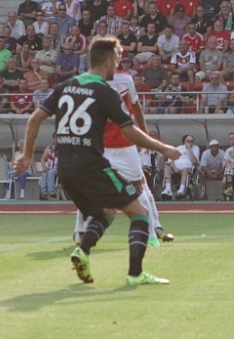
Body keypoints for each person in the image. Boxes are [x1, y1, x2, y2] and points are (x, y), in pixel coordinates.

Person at [14, 38, 180, 286]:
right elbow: (129, 131)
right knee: (140, 214)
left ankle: (83, 249)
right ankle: (136, 274)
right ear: (108, 61)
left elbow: (35, 118)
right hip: (92, 166)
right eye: (117, 59)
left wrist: (27, 155)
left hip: (65, 169)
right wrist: (163, 147)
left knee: (108, 211)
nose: (118, 64)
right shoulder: (105, 92)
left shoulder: (67, 86)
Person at [73, 65, 172, 245]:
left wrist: (144, 135)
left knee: (140, 188)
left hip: (125, 146)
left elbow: (136, 107)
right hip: (100, 147)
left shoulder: (125, 79)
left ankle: (154, 231)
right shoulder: (85, 82)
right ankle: (79, 231)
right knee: (89, 189)